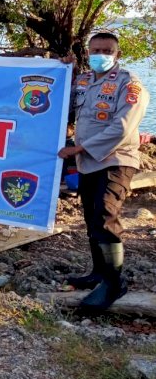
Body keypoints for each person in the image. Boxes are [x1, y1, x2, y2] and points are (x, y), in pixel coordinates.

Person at [58, 32, 150, 311]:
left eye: (107, 50)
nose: (101, 54)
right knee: (91, 216)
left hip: (116, 159)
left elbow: (123, 127)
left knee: (105, 214)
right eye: (96, 49)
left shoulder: (129, 84)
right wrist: (64, 73)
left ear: (117, 54)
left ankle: (114, 282)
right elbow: (61, 106)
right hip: (89, 163)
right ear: (87, 51)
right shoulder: (84, 81)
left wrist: (80, 148)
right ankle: (99, 273)